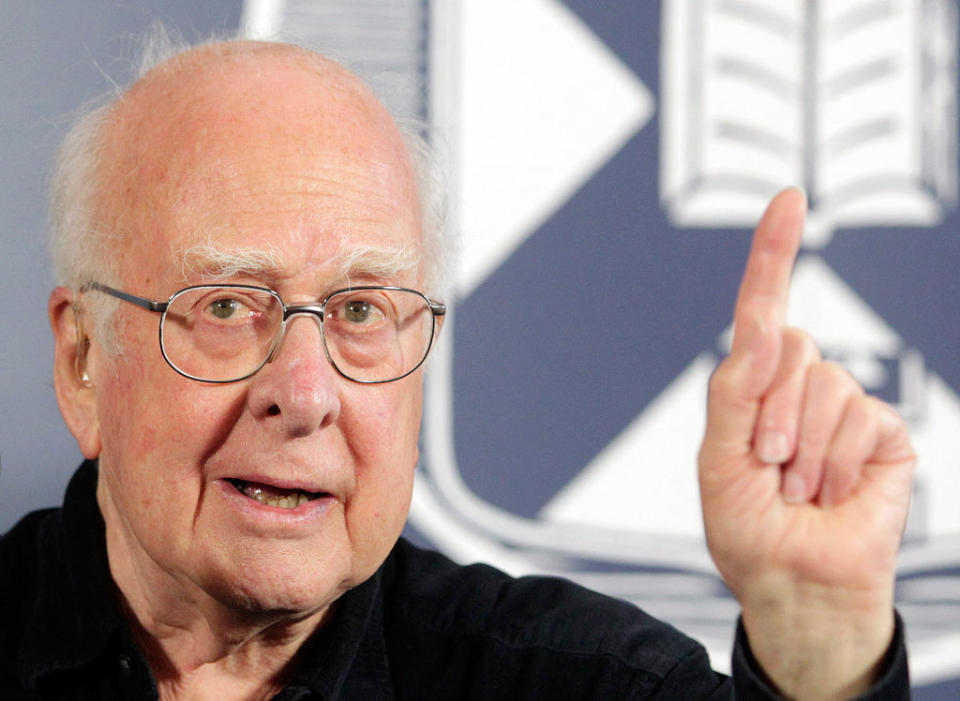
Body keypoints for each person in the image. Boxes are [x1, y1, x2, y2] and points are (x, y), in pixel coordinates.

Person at [0, 35, 915, 700]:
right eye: (230, 306)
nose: (308, 393)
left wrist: (818, 642)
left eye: (361, 310)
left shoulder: (585, 686)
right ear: (83, 360)